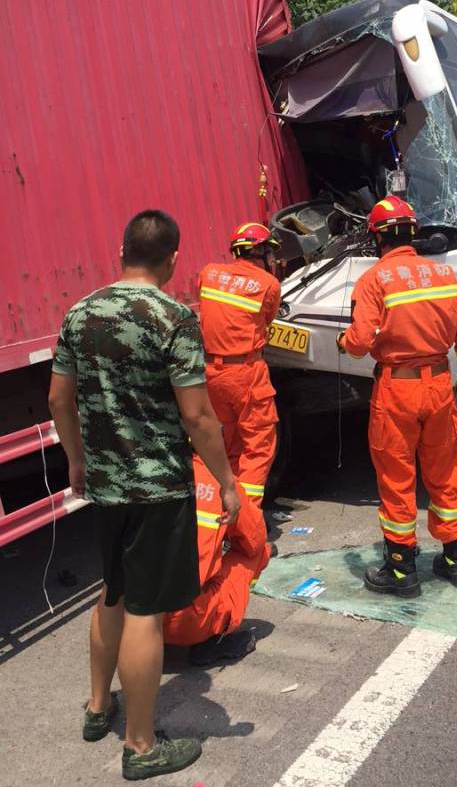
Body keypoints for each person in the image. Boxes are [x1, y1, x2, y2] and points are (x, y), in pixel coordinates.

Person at [48, 210, 240, 782]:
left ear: (121, 250)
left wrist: (78, 461)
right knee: (145, 613)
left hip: (106, 487)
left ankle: (97, 706)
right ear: (172, 258)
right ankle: (139, 745)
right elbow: (199, 415)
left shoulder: (80, 312)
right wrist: (227, 482)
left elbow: (59, 400)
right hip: (157, 489)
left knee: (113, 592)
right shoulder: (174, 318)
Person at [336, 195, 457, 597]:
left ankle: (401, 570)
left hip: (397, 390)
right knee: (444, 474)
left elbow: (361, 341)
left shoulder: (374, 280)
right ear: (413, 233)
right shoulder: (442, 274)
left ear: (376, 239)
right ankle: (456, 560)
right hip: (438, 385)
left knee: (397, 478)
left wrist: (343, 341)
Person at [199, 223, 282, 509]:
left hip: (211, 374)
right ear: (258, 251)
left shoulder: (208, 274)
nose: (272, 259)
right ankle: (248, 522)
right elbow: (267, 321)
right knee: (258, 448)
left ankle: (226, 512)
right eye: (269, 252)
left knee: (229, 445)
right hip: (246, 373)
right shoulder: (269, 285)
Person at [164, 453, 270, 663]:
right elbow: (254, 540)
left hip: (131, 616)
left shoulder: (133, 473)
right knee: (259, 551)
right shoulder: (215, 477)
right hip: (186, 621)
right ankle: (211, 638)